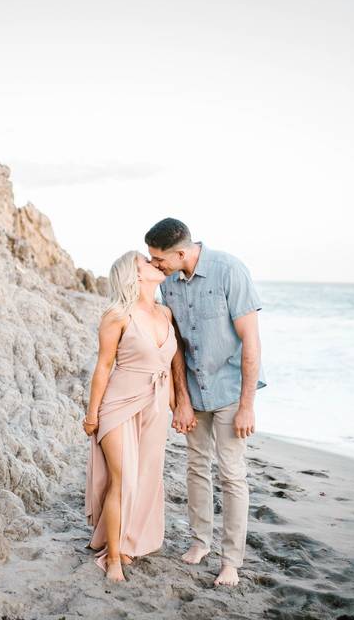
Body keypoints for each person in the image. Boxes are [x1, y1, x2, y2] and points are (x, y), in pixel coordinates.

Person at [145, 218, 266, 587]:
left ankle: (231, 560)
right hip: (194, 392)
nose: (154, 265)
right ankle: (201, 541)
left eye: (158, 259)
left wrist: (247, 405)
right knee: (195, 467)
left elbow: (251, 343)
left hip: (230, 390)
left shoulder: (230, 270)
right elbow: (177, 345)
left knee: (231, 473)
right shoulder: (167, 282)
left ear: (181, 253)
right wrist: (181, 399)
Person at [83, 250, 190, 582]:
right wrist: (91, 414)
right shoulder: (117, 315)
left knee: (146, 477)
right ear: (134, 274)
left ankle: (127, 543)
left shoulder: (166, 312)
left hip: (155, 406)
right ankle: (113, 557)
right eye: (146, 261)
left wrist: (176, 403)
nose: (155, 264)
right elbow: (103, 367)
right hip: (119, 404)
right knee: (123, 478)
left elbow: (173, 362)